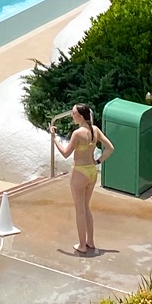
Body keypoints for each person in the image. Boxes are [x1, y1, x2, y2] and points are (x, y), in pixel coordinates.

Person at [51, 104, 114, 255]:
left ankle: (82, 245)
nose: (72, 116)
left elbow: (65, 153)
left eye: (73, 114)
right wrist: (98, 161)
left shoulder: (78, 134)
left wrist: (54, 138)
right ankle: (90, 241)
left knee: (80, 211)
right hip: (92, 171)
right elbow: (110, 148)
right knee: (86, 208)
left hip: (79, 172)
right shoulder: (95, 130)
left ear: (80, 116)